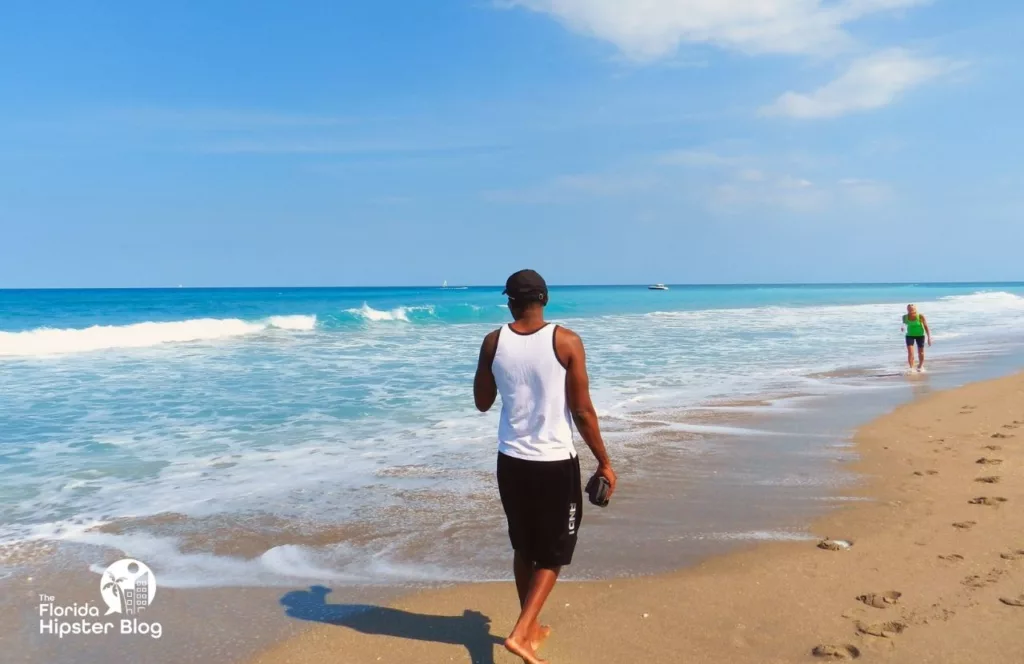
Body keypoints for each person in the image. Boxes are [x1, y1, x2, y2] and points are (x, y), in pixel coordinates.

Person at [473, 269, 617, 664]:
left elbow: (482, 402)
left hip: (511, 461)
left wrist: (497, 369)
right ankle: (521, 634)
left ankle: (530, 628)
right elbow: (582, 410)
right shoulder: (566, 340)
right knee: (553, 554)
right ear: (545, 299)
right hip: (553, 463)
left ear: (509, 301)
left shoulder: (493, 342)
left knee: (524, 547)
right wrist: (604, 461)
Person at [901, 304, 932, 371]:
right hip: (909, 336)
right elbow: (903, 323)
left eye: (912, 309)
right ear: (907, 309)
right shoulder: (904, 317)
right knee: (910, 353)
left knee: (921, 352)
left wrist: (929, 338)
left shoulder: (920, 316)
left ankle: (920, 366)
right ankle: (911, 368)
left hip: (920, 336)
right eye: (909, 309)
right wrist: (902, 327)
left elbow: (926, 326)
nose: (910, 310)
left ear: (915, 309)